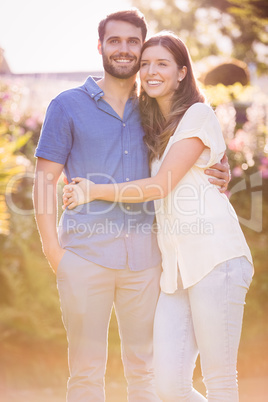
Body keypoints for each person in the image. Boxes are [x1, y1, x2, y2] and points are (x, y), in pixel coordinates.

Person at [33, 8, 230, 401]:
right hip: (85, 256)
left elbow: (190, 157)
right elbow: (44, 180)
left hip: (145, 262)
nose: (123, 49)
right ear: (101, 47)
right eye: (115, 40)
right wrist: (55, 252)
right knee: (86, 374)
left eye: (132, 42)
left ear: (141, 48)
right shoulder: (68, 105)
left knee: (146, 373)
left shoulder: (157, 109)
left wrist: (221, 170)